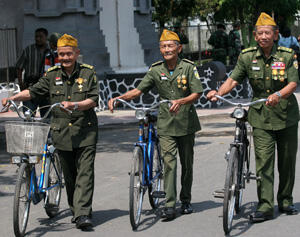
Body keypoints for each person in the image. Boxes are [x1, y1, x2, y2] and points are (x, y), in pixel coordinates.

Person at [207, 12, 299, 223]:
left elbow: (293, 83)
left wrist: (278, 94)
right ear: (255, 36)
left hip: (286, 115)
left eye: (268, 33)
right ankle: (265, 206)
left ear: (275, 35)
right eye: (260, 33)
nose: (264, 36)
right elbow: (233, 79)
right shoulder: (247, 56)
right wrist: (218, 93)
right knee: (264, 162)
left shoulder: (286, 55)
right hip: (261, 116)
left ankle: (285, 200)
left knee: (286, 161)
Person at [2, 34, 99, 230]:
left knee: (85, 174)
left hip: (85, 132)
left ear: (76, 54)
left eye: (69, 54)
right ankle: (76, 209)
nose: (65, 58)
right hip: (61, 133)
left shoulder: (88, 74)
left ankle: (83, 214)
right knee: (70, 177)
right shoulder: (52, 75)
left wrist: (75, 105)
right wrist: (13, 98)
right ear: (57, 55)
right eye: (61, 54)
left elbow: (93, 100)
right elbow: (33, 91)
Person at [108, 29, 203, 220]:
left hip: (186, 122)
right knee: (169, 163)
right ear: (160, 49)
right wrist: (119, 97)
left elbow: (197, 93)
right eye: (163, 46)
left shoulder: (188, 67)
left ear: (179, 48)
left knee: (187, 164)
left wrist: (182, 101)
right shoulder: (156, 69)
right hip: (166, 123)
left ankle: (185, 200)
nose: (167, 49)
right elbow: (138, 90)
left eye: (170, 46)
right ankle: (169, 204)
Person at [16, 28, 50, 117]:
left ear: (46, 37)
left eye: (41, 36)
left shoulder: (50, 51)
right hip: (30, 87)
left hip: (46, 90)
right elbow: (19, 67)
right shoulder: (28, 50)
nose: (38, 39)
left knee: (47, 116)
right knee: (28, 115)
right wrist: (21, 83)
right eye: (36, 37)